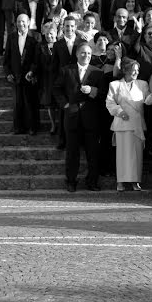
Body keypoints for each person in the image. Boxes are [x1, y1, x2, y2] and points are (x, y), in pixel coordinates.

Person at [54, 42, 105, 192]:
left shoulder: (97, 72)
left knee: (93, 152)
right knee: (72, 152)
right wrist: (65, 105)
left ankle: (92, 182)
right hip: (72, 116)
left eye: (89, 53)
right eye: (83, 53)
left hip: (91, 117)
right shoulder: (66, 70)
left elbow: (103, 94)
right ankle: (71, 181)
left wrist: (92, 90)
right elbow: (56, 89)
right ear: (77, 54)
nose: (86, 56)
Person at [106, 57, 152, 192]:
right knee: (122, 155)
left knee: (137, 155)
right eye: (133, 70)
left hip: (137, 124)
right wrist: (120, 112)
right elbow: (109, 103)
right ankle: (120, 181)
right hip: (122, 123)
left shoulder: (143, 84)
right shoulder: (115, 85)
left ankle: (135, 181)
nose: (136, 73)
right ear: (126, 71)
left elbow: (147, 100)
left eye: (137, 70)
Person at [3, 13, 40, 136]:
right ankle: (18, 128)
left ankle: (32, 128)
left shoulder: (35, 37)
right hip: (16, 76)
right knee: (17, 103)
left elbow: (37, 57)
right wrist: (8, 73)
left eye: (23, 21)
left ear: (28, 22)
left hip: (30, 76)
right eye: (19, 21)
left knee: (31, 103)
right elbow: (7, 58)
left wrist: (32, 71)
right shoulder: (12, 37)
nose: (21, 24)